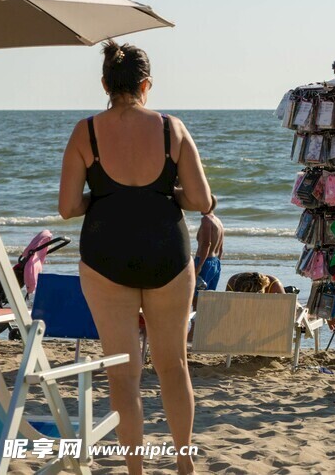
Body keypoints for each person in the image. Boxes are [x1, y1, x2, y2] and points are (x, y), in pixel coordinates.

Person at [59, 40, 221, 475]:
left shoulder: (85, 131)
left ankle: (135, 470)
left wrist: (104, 195)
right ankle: (185, 465)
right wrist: (166, 193)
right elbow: (202, 199)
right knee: (173, 366)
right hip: (167, 256)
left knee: (123, 375)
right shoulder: (172, 128)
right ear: (146, 85)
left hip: (105, 258)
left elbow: (67, 207)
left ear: (104, 85)